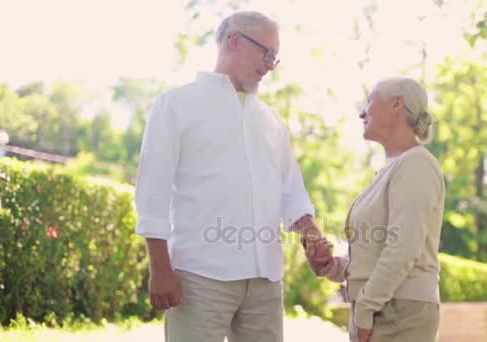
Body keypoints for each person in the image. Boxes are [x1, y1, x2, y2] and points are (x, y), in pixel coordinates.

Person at [134, 11, 330, 342]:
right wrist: (160, 268)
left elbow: (292, 192)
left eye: (275, 57)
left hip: (265, 282)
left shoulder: (271, 120)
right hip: (199, 276)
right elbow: (152, 192)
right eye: (266, 52)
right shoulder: (176, 105)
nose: (270, 65)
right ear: (234, 40)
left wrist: (311, 233)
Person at [310, 77, 445, 342]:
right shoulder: (392, 169)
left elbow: (403, 249)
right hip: (381, 309)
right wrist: (333, 267)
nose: (363, 111)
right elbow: (378, 254)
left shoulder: (417, 165)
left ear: (397, 105)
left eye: (370, 101)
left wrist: (366, 310)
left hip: (399, 313)